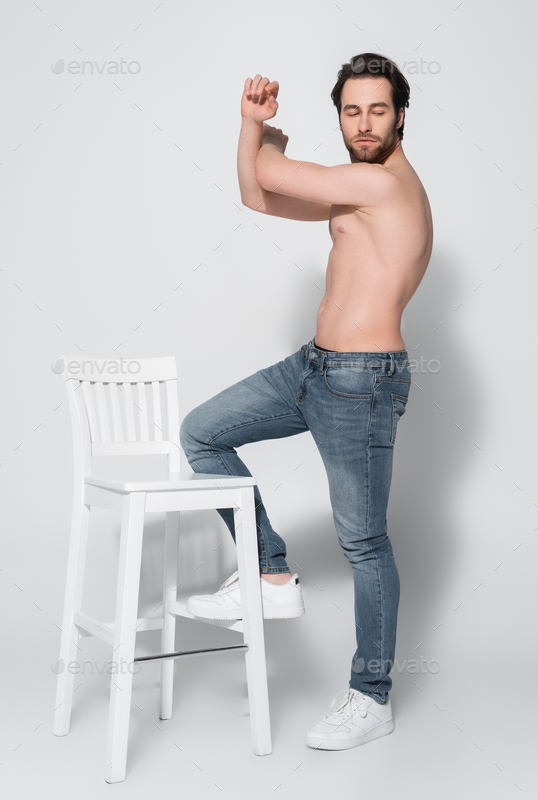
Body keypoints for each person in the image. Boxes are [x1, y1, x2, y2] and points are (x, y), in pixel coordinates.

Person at [179, 52, 433, 750]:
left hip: (363, 380)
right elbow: (255, 196)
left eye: (378, 108)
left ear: (402, 115)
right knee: (202, 433)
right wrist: (260, 133)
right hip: (312, 367)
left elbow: (267, 174)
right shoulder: (356, 188)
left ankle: (371, 696)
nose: (364, 122)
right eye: (352, 110)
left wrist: (257, 127)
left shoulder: (385, 187)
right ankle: (270, 571)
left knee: (362, 540)